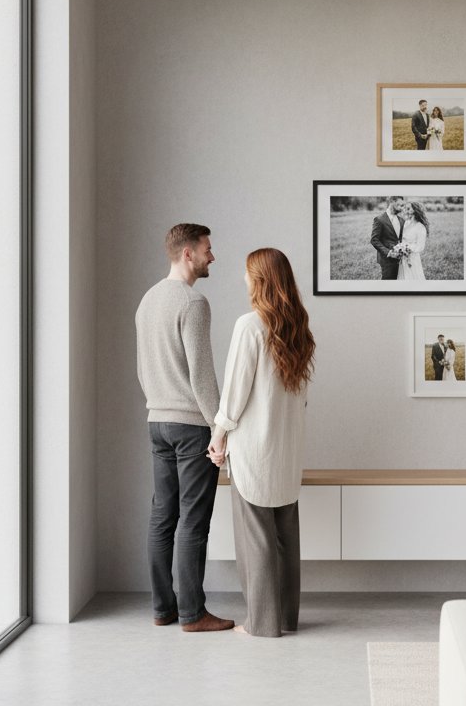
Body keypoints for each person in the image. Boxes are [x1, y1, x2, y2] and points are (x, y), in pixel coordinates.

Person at [208, 248, 316, 638]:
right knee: (286, 538)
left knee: (256, 540)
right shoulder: (298, 327)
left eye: (247, 273)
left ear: (260, 280)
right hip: (288, 450)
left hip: (255, 449)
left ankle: (262, 623)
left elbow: (235, 392)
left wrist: (218, 436)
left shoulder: (250, 326)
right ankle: (287, 618)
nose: (243, 279)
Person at [134, 223, 235, 632]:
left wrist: (158, 402)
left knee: (163, 518)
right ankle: (193, 614)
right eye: (208, 249)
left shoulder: (147, 300)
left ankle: (164, 609)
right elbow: (202, 374)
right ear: (188, 253)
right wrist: (219, 428)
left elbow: (143, 368)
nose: (213, 256)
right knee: (193, 520)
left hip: (157, 420)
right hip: (191, 425)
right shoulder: (193, 302)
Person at [369, 195, 405, 280]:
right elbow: (374, 240)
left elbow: (401, 239)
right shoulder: (379, 219)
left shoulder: (401, 220)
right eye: (399, 205)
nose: (401, 208)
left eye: (402, 206)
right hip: (387, 260)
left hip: (400, 259)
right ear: (392, 202)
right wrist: (389, 252)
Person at [396, 201, 428, 281]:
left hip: (412, 259)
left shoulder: (420, 227)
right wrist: (399, 247)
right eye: (405, 208)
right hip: (402, 258)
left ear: (415, 210)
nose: (405, 210)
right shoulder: (406, 223)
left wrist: (406, 248)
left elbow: (420, 247)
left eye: (408, 208)